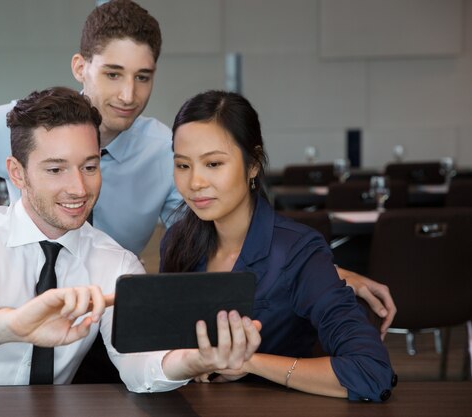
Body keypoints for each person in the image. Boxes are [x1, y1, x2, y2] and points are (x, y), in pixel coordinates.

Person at [0, 0, 394, 334]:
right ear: (82, 68)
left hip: (109, 324)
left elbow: (206, 228)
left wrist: (322, 270)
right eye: (114, 74)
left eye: (144, 77)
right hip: (9, 325)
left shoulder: (161, 148)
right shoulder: (22, 123)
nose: (129, 95)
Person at [0, 86, 260, 389]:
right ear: (17, 174)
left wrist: (193, 360)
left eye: (89, 166)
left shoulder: (115, 262)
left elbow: (139, 366)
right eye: (55, 169)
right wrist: (14, 324)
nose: (78, 188)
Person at [160, 90, 396, 402]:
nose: (195, 183)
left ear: (253, 164)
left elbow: (371, 372)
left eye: (214, 163)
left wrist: (247, 362)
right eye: (183, 165)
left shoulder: (299, 251)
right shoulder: (177, 241)